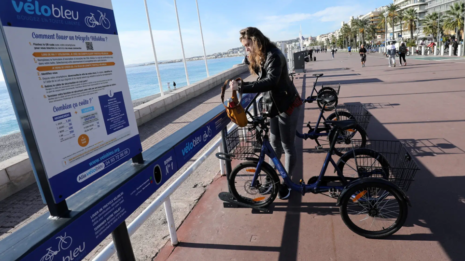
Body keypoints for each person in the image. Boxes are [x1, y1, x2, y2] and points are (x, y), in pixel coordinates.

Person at [229, 27, 302, 200]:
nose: (246, 48)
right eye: (244, 46)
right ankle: (271, 180)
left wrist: (243, 87)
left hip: (287, 105)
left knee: (287, 145)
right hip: (273, 107)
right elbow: (261, 78)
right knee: (273, 144)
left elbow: (270, 81)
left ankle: (287, 183)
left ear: (257, 41)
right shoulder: (260, 56)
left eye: (248, 45)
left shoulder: (274, 56)